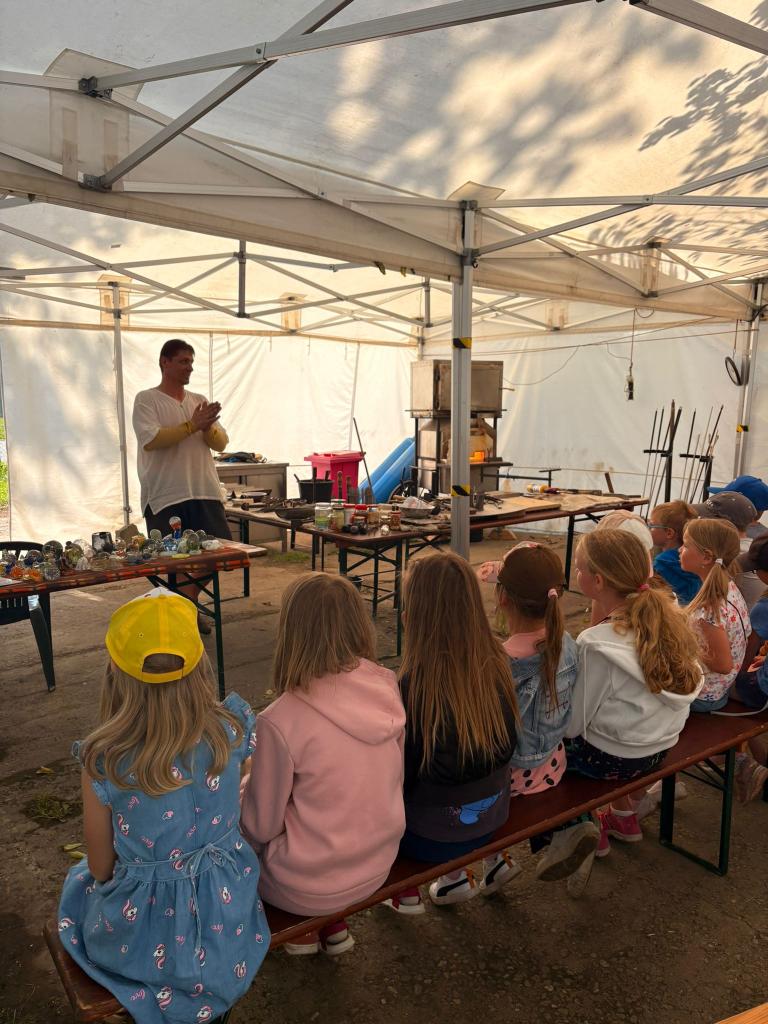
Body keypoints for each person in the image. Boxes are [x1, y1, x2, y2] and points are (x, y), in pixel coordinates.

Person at [58, 589, 268, 1024]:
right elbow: (241, 783)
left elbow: (100, 867)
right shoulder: (231, 730)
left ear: (115, 673)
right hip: (228, 912)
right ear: (200, 666)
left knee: (79, 886)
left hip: (147, 931)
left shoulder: (104, 760)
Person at [240, 573, 405, 955]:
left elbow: (260, 826)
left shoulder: (279, 720)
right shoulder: (387, 686)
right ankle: (330, 924)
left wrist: (243, 785)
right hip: (379, 862)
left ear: (291, 633)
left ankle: (303, 930)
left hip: (304, 885)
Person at [387, 552, 519, 911]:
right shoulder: (499, 662)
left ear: (410, 620)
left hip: (427, 839)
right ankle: (459, 876)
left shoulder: (411, 688)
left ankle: (415, 888)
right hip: (493, 820)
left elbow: (398, 782)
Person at [564, 529, 702, 859]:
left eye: (579, 568)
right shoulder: (669, 619)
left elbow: (573, 726)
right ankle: (623, 816)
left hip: (611, 759)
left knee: (542, 750)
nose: (576, 572)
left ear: (598, 582)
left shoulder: (595, 644)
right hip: (659, 749)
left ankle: (582, 829)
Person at [493, 543, 582, 892]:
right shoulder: (568, 643)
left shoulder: (500, 661)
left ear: (502, 598)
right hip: (552, 767)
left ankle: (480, 867)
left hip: (511, 780)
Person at [132, 339, 230, 632]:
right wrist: (192, 425)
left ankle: (184, 605)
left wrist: (207, 426)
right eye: (183, 361)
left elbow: (221, 443)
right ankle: (183, 614)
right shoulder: (146, 399)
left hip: (203, 490)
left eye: (191, 362)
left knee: (219, 553)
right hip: (165, 495)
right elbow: (152, 440)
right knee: (174, 562)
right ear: (165, 362)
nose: (190, 367)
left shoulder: (198, 400)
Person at [681, 518, 749, 713]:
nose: (680, 550)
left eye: (685, 545)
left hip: (704, 696)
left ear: (706, 557)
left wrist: (682, 644)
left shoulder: (710, 609)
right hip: (717, 688)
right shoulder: (729, 586)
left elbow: (723, 665)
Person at [692, 491, 763, 609]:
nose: (701, 521)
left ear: (723, 524)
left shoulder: (730, 555)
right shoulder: (750, 546)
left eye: (706, 518)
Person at [648, 500, 701, 605]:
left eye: (651, 525)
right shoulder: (696, 558)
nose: (648, 529)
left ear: (669, 533)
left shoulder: (661, 563)